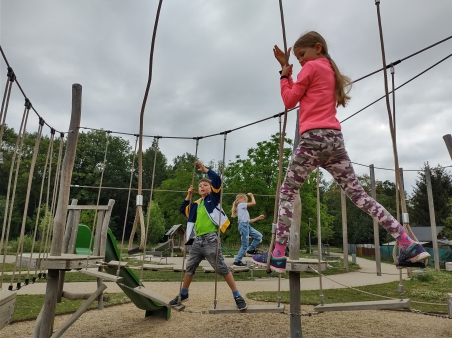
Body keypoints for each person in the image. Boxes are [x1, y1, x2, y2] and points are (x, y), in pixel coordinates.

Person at [252, 31, 431, 273]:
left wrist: (284, 76)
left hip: (313, 140)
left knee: (287, 191)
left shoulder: (310, 67)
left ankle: (278, 254)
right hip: (335, 142)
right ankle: (407, 242)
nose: (301, 60)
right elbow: (305, 93)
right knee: (360, 197)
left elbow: (289, 100)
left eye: (302, 54)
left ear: (318, 47)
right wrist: (287, 66)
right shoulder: (330, 72)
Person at [169, 161, 247, 310]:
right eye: (200, 186)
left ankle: (237, 295)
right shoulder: (196, 205)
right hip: (197, 240)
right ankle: (184, 293)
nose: (202, 187)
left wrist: (205, 170)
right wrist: (189, 195)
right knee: (190, 266)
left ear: (211, 189)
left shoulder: (214, 199)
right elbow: (182, 209)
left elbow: (217, 178)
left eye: (205, 185)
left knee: (222, 268)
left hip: (211, 239)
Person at [231, 193, 265, 267]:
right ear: (239, 200)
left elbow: (248, 221)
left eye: (246, 200)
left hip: (247, 225)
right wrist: (252, 196)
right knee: (244, 245)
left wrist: (258, 218)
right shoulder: (240, 205)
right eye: (244, 200)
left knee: (259, 236)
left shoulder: (244, 210)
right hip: (243, 226)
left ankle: (250, 249)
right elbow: (253, 203)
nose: (246, 201)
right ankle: (237, 261)